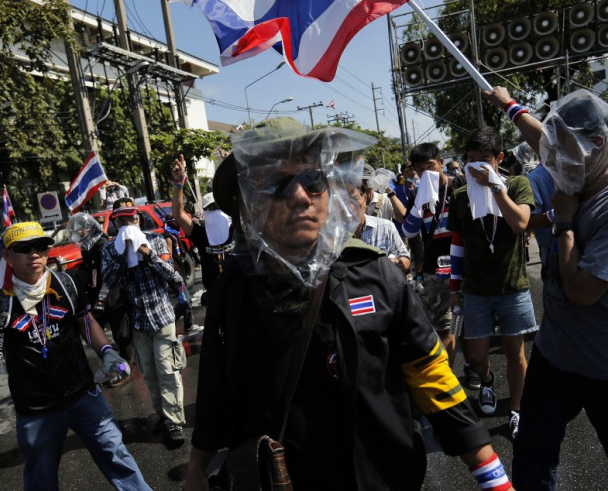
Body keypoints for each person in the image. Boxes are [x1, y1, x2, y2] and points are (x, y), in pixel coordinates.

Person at [184, 117, 512, 491]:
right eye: (276, 184)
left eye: (312, 180)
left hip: (382, 477)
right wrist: (197, 469)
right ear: (250, 203)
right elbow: (214, 386)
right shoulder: (235, 288)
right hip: (285, 479)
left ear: (330, 190)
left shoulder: (374, 274)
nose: (299, 196)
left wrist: (493, 477)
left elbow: (430, 372)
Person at [485, 86, 608, 489]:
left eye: (566, 148)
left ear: (597, 145)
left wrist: (564, 224)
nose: (555, 159)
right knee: (532, 455)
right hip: (555, 357)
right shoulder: (582, 172)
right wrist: (508, 105)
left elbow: (582, 291)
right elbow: (545, 142)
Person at [0, 221, 149, 490]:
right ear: (7, 256)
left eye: (40, 246)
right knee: (41, 481)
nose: (35, 254)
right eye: (24, 248)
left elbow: (85, 320)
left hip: (83, 395)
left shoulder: (66, 283)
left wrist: (106, 351)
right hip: (37, 411)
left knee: (118, 457)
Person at [446, 127, 537, 440]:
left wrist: (496, 187)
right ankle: (486, 381)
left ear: (499, 158)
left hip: (513, 286)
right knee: (475, 356)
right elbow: (456, 245)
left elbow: (521, 223)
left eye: (483, 160)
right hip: (476, 289)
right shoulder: (459, 195)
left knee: (517, 353)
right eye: (470, 161)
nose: (475, 168)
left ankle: (517, 411)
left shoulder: (517, 184)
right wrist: (453, 290)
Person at [101, 198, 187, 443]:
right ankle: (161, 414)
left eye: (131, 218)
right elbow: (111, 282)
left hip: (161, 317)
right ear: (116, 224)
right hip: (138, 320)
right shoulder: (110, 249)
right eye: (122, 220)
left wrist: (147, 253)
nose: (128, 223)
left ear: (137, 218)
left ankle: (175, 422)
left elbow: (173, 276)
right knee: (149, 372)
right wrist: (121, 254)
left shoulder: (156, 239)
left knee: (167, 370)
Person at [397, 143, 458, 366]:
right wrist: (420, 201)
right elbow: (409, 230)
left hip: (464, 266)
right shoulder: (418, 196)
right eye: (420, 170)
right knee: (445, 325)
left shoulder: (457, 186)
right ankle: (449, 380)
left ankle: (476, 368)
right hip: (436, 269)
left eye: (430, 166)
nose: (427, 173)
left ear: (441, 163)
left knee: (468, 325)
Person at [67, 213, 132, 366]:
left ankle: (125, 366)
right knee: (93, 330)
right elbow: (90, 270)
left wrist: (102, 298)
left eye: (80, 230)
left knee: (122, 334)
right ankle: (112, 363)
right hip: (97, 295)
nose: (78, 234)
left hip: (113, 294)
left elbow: (109, 274)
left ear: (88, 229)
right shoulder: (87, 247)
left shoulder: (102, 244)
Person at [171, 156, 234, 306]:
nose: (215, 212)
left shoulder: (236, 228)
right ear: (204, 212)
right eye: (211, 208)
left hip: (240, 293)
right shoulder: (200, 234)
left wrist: (231, 169)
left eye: (218, 207)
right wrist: (179, 184)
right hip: (215, 296)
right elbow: (178, 214)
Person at [348, 183, 410, 273]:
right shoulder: (334, 236)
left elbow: (405, 258)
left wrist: (396, 263)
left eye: (354, 199)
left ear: (364, 200)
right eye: (343, 201)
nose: (350, 206)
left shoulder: (386, 227)